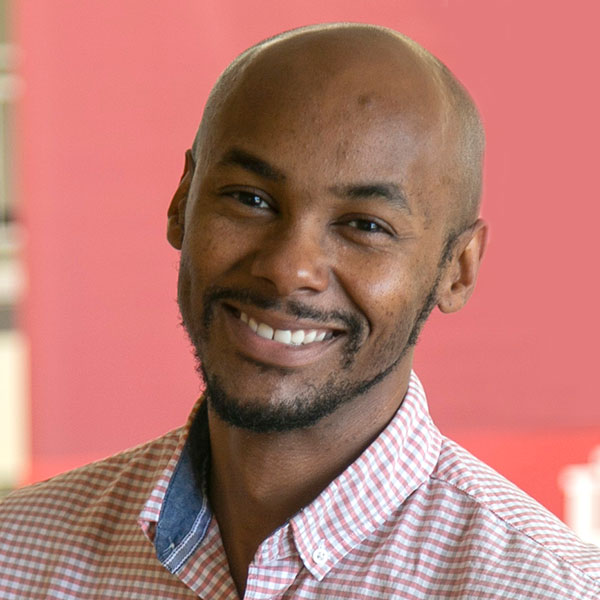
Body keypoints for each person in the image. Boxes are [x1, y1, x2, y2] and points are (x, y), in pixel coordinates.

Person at [1, 23, 599, 600]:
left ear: (457, 268)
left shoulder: (547, 588)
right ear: (183, 201)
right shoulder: (16, 555)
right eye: (251, 199)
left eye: (365, 225)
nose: (289, 268)